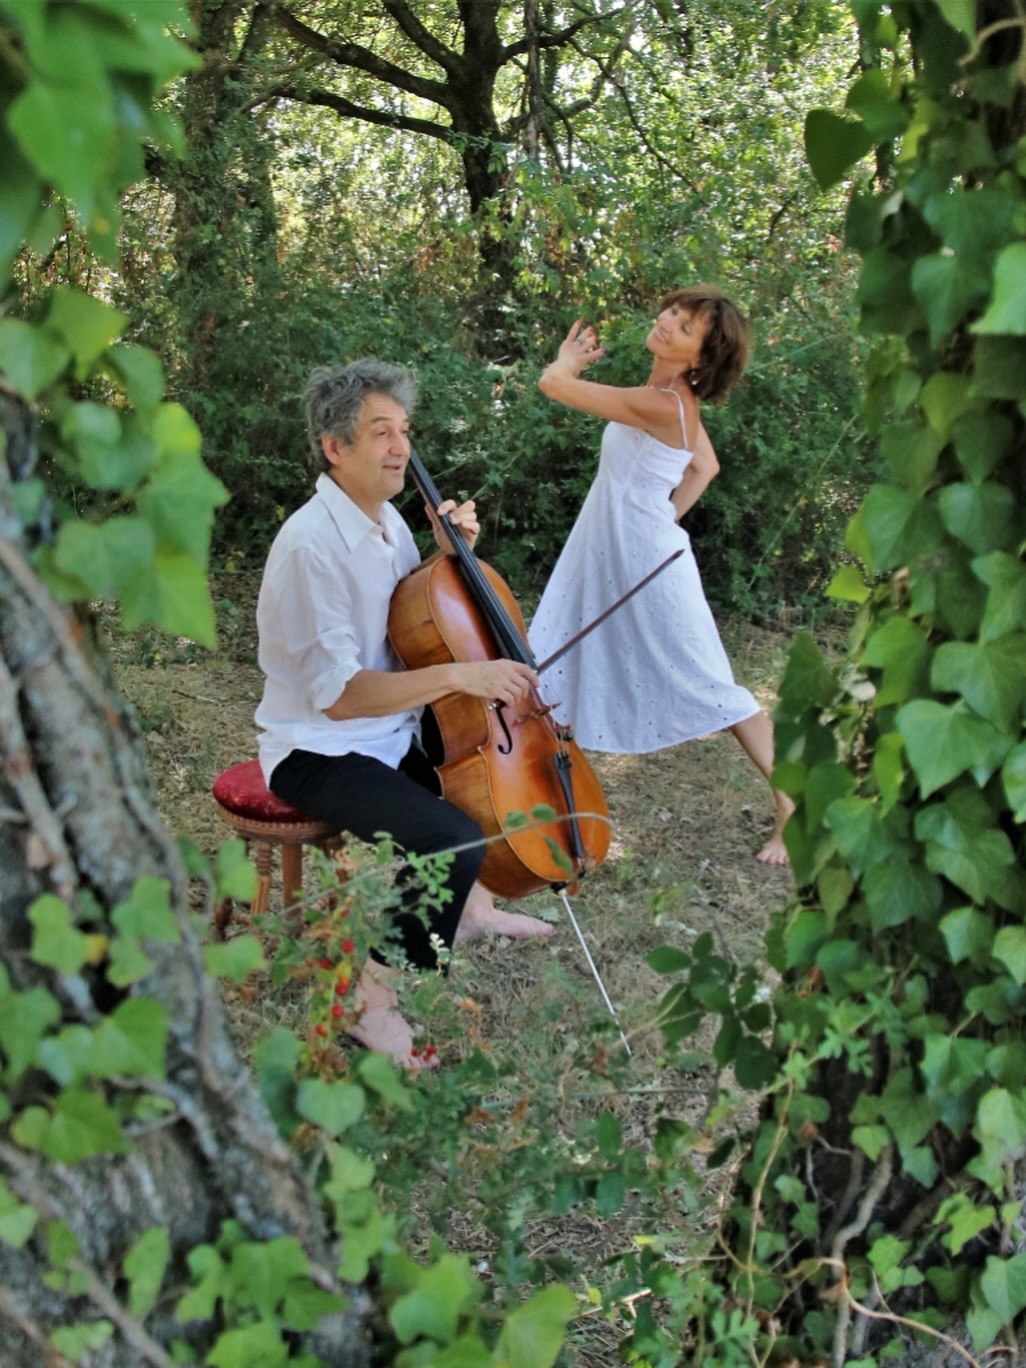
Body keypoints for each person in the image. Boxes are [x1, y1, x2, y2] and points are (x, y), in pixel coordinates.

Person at [255, 359, 551, 1068]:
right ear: (335, 447)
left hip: (384, 732)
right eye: (379, 432)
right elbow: (341, 694)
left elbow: (413, 625)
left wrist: (456, 561)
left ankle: (471, 911)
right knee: (448, 835)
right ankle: (373, 1003)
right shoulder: (310, 546)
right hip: (317, 747)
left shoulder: (389, 523)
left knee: (478, 777)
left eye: (405, 431)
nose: (400, 448)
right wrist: (461, 675)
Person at [528, 286, 794, 865]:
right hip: (624, 557)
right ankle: (550, 802)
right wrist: (656, 520)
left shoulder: (666, 405)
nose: (669, 321)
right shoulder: (665, 398)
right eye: (672, 311)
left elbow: (553, 386)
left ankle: (796, 810)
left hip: (645, 566)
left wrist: (568, 362)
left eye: (687, 325)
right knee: (553, 661)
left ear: (700, 358)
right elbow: (705, 465)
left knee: (715, 689)